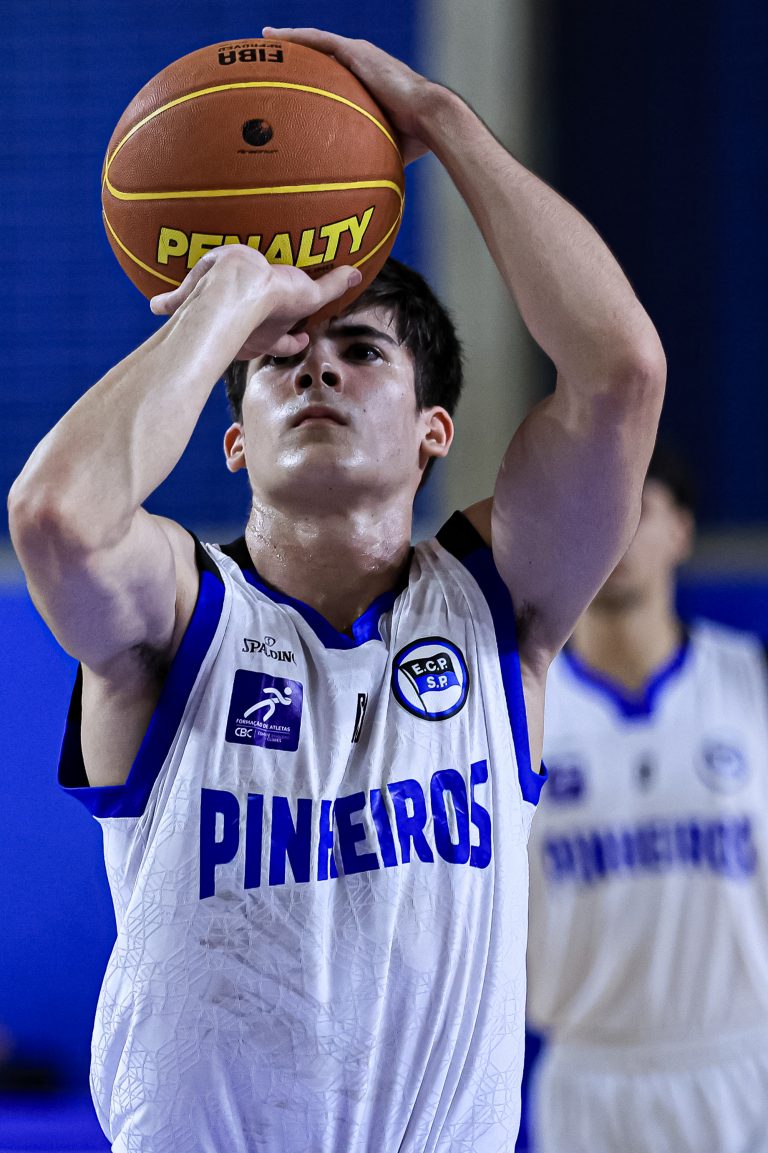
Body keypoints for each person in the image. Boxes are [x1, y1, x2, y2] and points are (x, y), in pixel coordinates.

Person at [8, 26, 665, 1153]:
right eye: (279, 359)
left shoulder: (497, 600)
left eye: (362, 350)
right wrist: (225, 303)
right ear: (233, 443)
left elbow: (622, 374)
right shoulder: (179, 617)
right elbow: (55, 514)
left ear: (433, 431)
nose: (317, 363)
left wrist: (443, 122)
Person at [525, 445, 768, 1153]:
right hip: (587, 1076)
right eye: (590, 511)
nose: (612, 528)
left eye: (636, 507)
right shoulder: (521, 710)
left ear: (681, 531)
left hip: (744, 1064)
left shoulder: (751, 682)